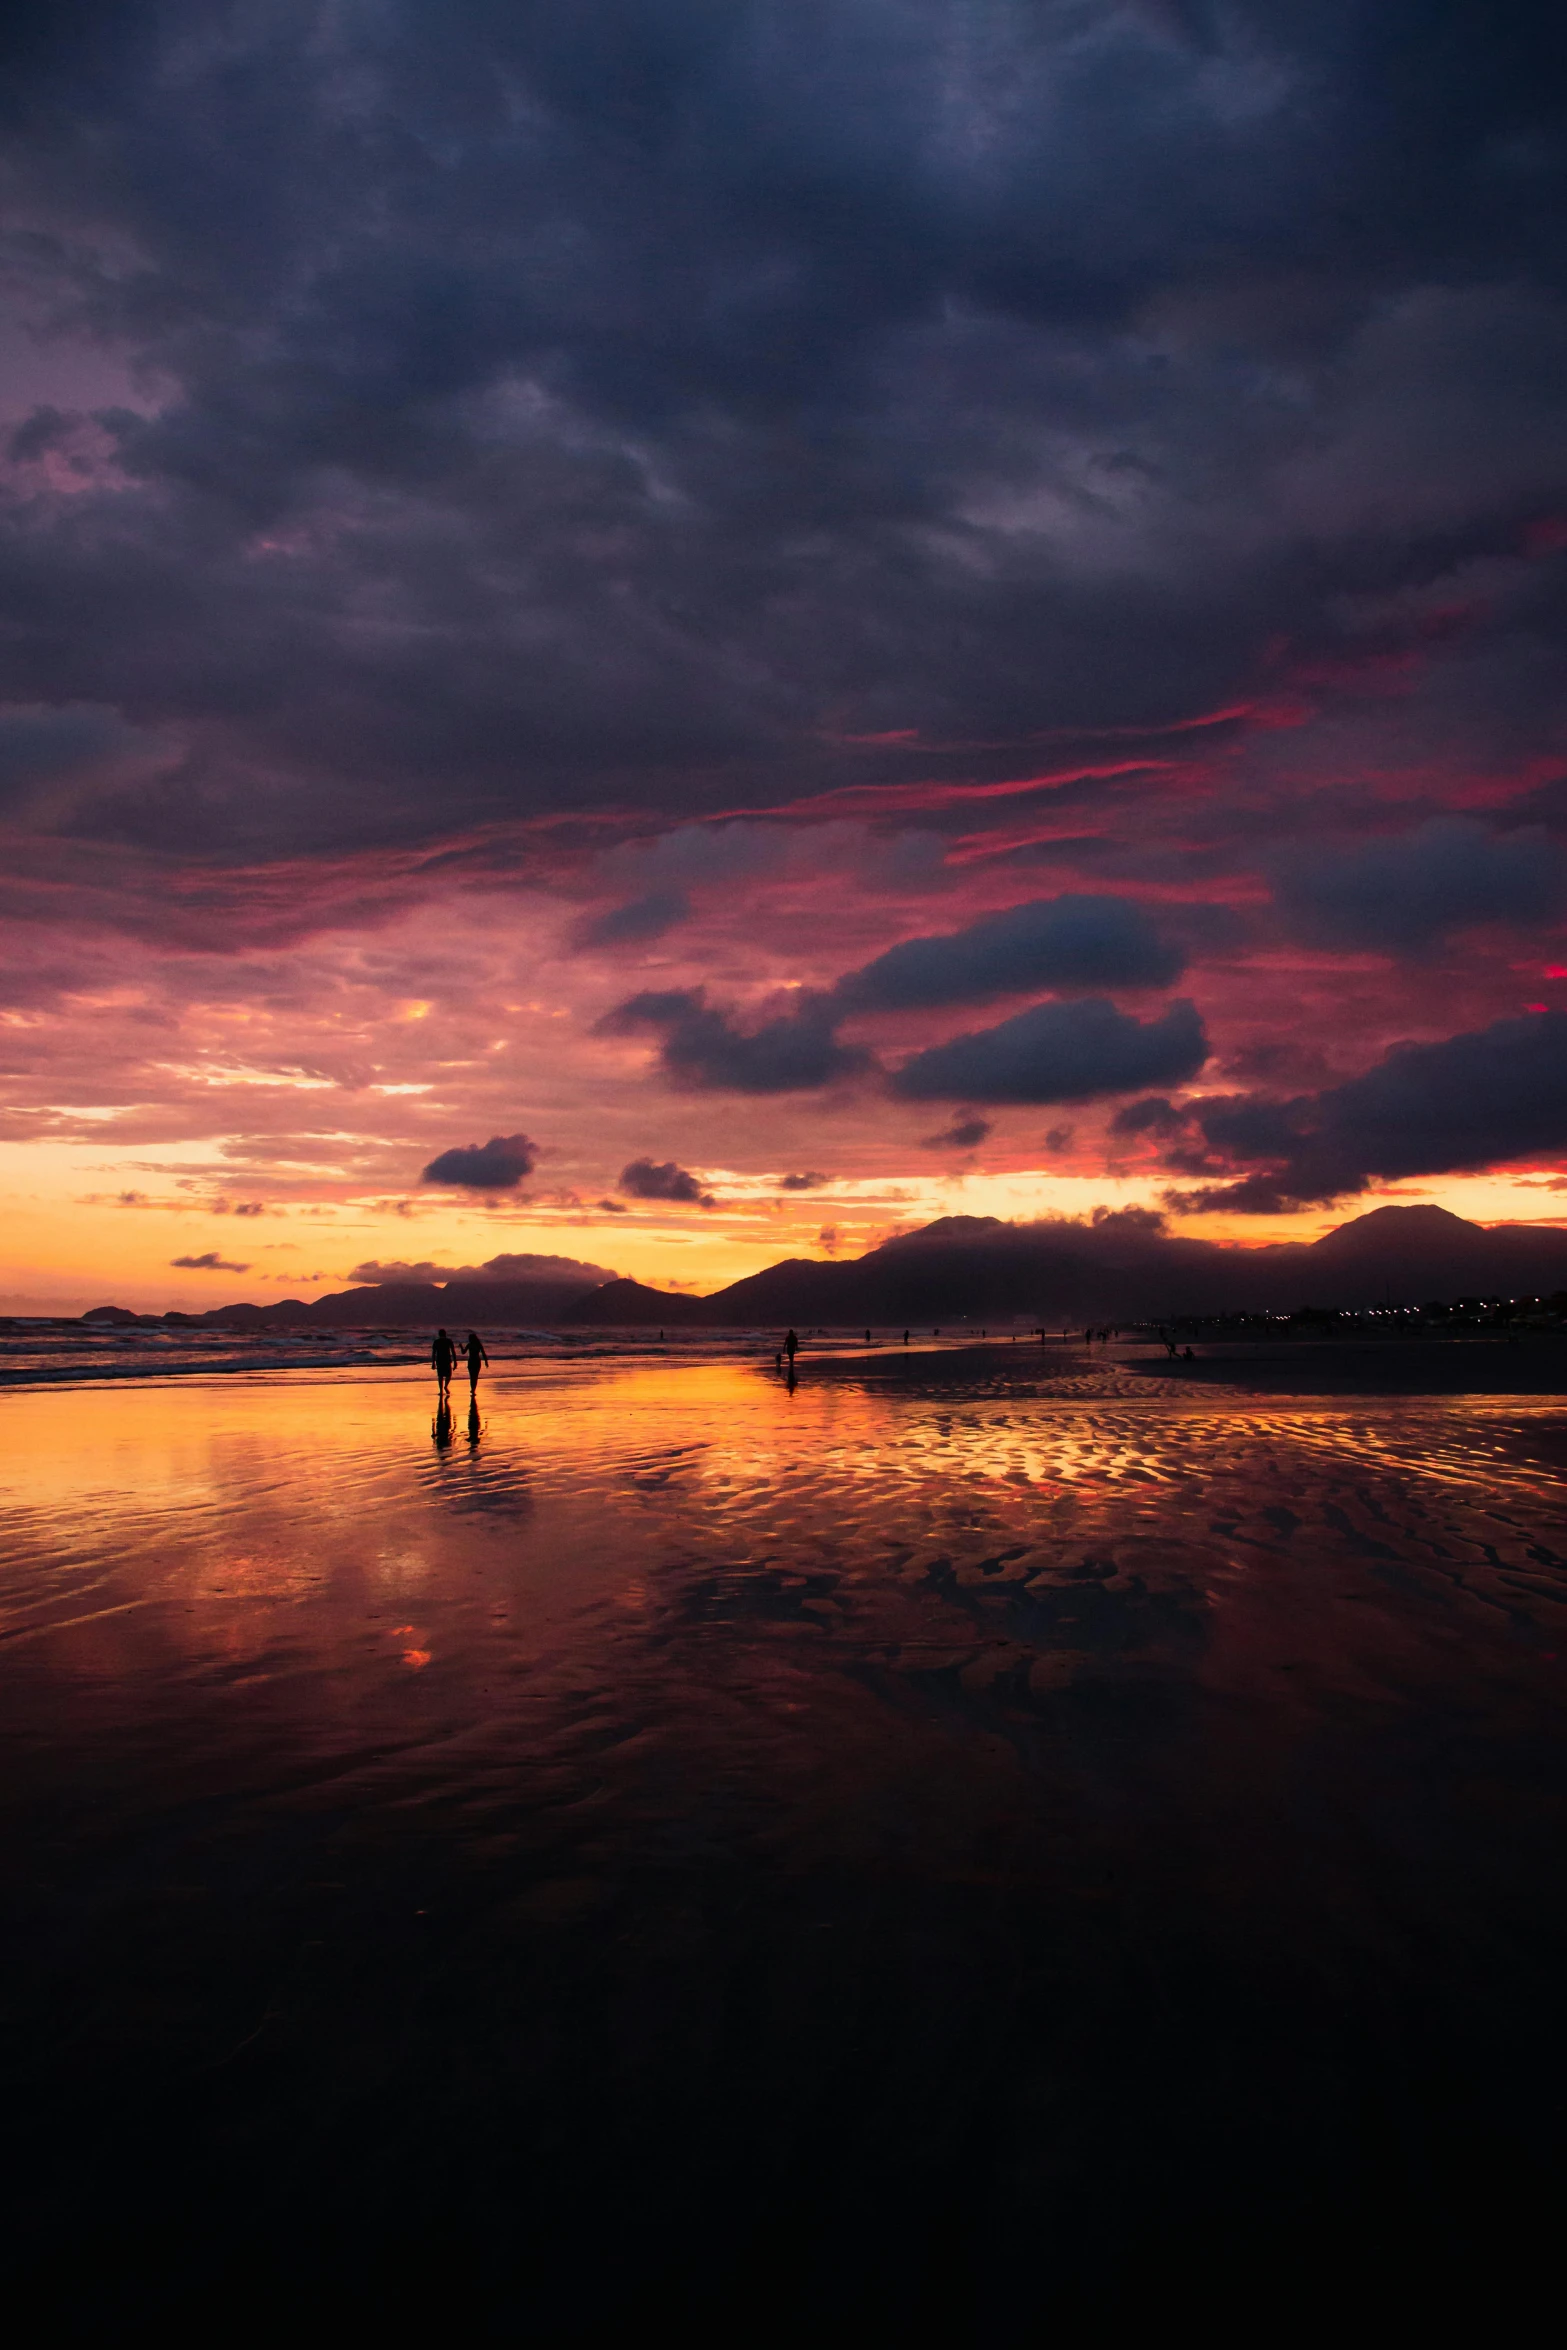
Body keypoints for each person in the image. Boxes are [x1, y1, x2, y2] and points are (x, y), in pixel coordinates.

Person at [432, 1326, 457, 1395]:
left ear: (439, 1334)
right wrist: (455, 1362)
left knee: (440, 1376)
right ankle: (445, 1386)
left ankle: (441, 1390)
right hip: (447, 1360)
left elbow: (434, 1353)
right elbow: (453, 1352)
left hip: (439, 1360)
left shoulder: (436, 1342)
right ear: (445, 1334)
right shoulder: (448, 1341)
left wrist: (433, 1363)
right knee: (448, 1375)